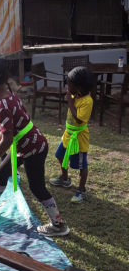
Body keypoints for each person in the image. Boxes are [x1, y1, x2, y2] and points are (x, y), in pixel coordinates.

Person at [0, 58, 70, 237]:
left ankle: (59, 225)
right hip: (27, 144)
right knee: (2, 171)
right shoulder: (9, 94)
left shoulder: (1, 106)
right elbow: (18, 120)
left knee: (37, 188)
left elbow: (7, 140)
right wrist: (4, 133)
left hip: (33, 149)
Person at [50, 66, 94, 204]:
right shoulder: (76, 95)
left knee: (81, 166)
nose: (67, 86)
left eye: (70, 84)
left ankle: (81, 191)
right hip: (67, 135)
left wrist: (70, 102)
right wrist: (71, 99)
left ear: (79, 87)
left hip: (78, 139)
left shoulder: (87, 101)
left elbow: (80, 119)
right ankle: (65, 179)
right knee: (59, 156)